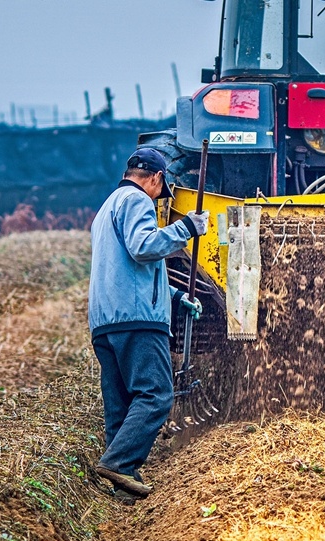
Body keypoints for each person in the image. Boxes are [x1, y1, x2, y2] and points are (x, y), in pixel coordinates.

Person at [88, 148, 209, 498]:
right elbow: (143, 248)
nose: (159, 197)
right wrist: (186, 227)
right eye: (162, 189)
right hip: (137, 319)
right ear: (156, 178)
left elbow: (126, 269)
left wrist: (174, 296)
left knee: (121, 402)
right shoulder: (137, 200)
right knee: (156, 394)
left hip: (106, 320)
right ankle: (119, 464)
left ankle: (122, 487)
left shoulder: (106, 208)